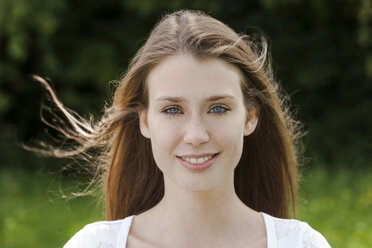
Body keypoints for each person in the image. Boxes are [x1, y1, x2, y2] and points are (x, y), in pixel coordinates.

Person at [31, 9, 331, 248]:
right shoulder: (94, 245)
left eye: (218, 108)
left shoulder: (301, 244)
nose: (196, 135)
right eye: (173, 110)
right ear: (145, 120)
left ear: (250, 116)